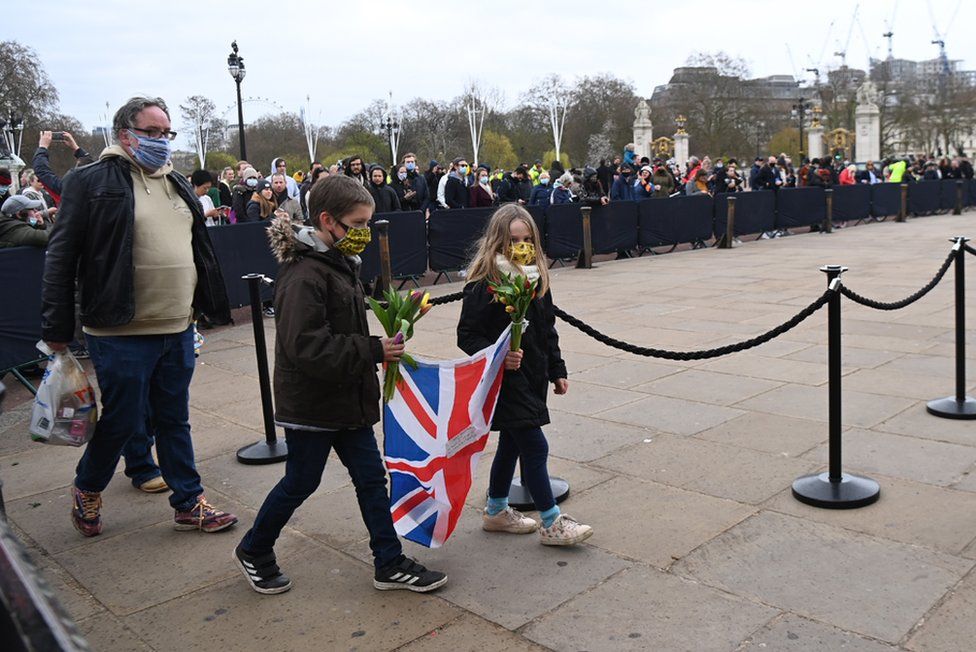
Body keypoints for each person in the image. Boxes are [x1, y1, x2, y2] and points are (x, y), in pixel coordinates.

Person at [234, 175, 447, 595]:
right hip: (313, 404)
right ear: (327, 221)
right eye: (357, 224)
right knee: (301, 481)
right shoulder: (303, 274)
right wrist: (372, 350)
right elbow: (305, 346)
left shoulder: (338, 263)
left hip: (347, 398)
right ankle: (255, 549)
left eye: (369, 223)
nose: (364, 233)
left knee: (370, 478)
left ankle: (388, 561)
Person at [41, 95, 235, 538]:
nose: (161, 142)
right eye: (152, 133)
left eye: (167, 133)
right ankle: (88, 486)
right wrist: (55, 328)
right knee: (124, 420)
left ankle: (189, 501)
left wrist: (204, 307)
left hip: (177, 325)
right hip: (119, 328)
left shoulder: (177, 182)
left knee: (173, 417)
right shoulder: (90, 181)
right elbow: (60, 257)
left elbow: (197, 249)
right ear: (125, 134)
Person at [457, 204, 592, 546]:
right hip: (504, 381)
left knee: (511, 445)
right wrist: (500, 356)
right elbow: (467, 336)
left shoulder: (535, 279)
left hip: (532, 375)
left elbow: (548, 331)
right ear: (498, 243)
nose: (522, 246)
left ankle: (496, 510)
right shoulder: (483, 284)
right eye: (514, 240)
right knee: (534, 445)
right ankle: (551, 522)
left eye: (527, 239)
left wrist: (557, 370)